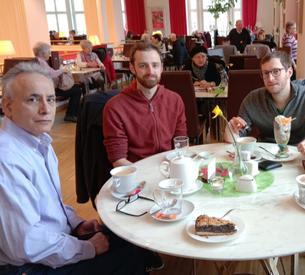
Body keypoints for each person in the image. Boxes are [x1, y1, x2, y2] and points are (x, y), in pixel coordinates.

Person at [0, 62, 145, 274]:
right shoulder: (7, 159)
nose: (46, 109)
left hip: (49, 242)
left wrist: (75, 223)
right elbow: (26, 243)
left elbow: (49, 205)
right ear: (8, 107)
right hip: (25, 266)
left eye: (50, 99)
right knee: (129, 260)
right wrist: (86, 248)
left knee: (128, 235)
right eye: (33, 99)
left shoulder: (39, 143)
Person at [225, 51, 305, 156]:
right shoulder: (253, 99)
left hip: (299, 156)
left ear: (289, 72)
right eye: (266, 73)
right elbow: (237, 137)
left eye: (276, 71)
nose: (270, 78)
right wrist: (231, 131)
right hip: (264, 157)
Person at [103, 42, 187, 167]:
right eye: (143, 66)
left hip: (170, 170)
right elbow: (118, 158)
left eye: (155, 65)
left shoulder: (175, 100)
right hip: (136, 175)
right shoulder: (115, 107)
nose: (150, 71)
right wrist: (148, 176)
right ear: (132, 68)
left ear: (161, 68)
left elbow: (180, 143)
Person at [33, 41, 82, 122]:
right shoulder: (41, 62)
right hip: (49, 90)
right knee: (77, 91)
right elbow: (51, 74)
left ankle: (74, 113)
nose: (49, 54)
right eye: (48, 52)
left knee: (76, 87)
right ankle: (70, 114)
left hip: (47, 87)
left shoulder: (38, 61)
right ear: (43, 53)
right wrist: (62, 70)